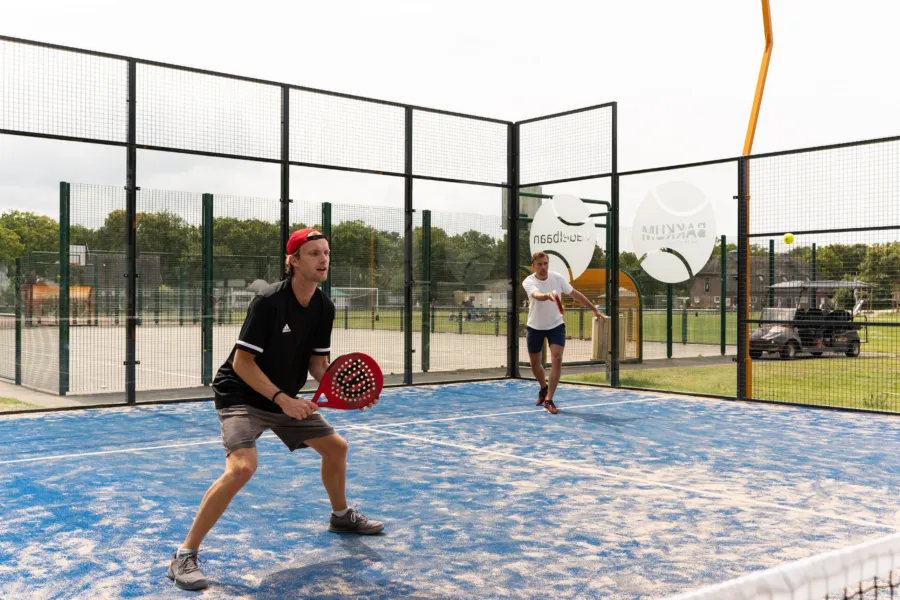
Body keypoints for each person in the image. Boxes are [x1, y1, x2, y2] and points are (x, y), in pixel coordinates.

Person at [167, 228, 384, 591]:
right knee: (242, 468)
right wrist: (284, 399)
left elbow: (318, 365)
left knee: (336, 448)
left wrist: (344, 390)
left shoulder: (324, 307)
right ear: (294, 261)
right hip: (241, 396)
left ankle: (341, 516)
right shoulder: (268, 301)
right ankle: (184, 555)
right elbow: (242, 363)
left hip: (285, 396)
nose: (324, 260)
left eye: (326, 253)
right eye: (314, 253)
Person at [522, 251, 606, 414]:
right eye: (539, 264)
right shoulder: (529, 281)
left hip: (556, 326)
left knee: (557, 358)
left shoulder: (557, 278)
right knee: (534, 364)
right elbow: (537, 295)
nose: (543, 267)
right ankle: (543, 387)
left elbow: (575, 294)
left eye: (545, 263)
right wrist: (548, 295)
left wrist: (593, 308)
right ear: (533, 266)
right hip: (535, 327)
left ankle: (549, 399)